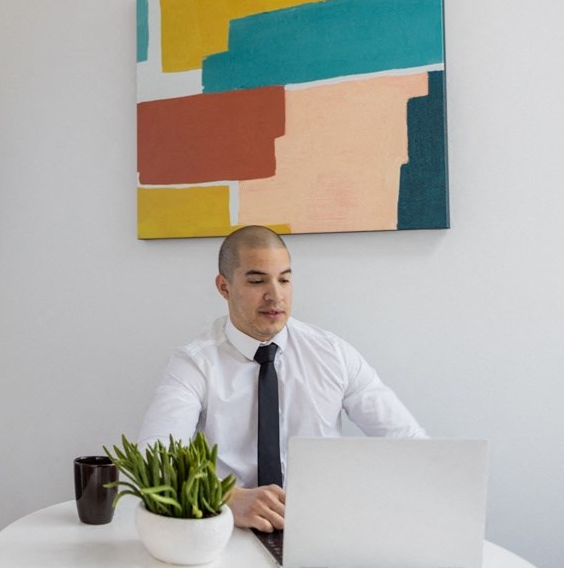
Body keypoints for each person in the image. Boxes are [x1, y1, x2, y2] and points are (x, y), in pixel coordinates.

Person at [137, 225, 426, 532]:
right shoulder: (195, 363)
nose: (275, 295)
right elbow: (152, 458)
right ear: (224, 287)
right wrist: (228, 497)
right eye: (257, 280)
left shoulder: (333, 354)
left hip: (324, 527)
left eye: (284, 279)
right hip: (229, 530)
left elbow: (409, 442)